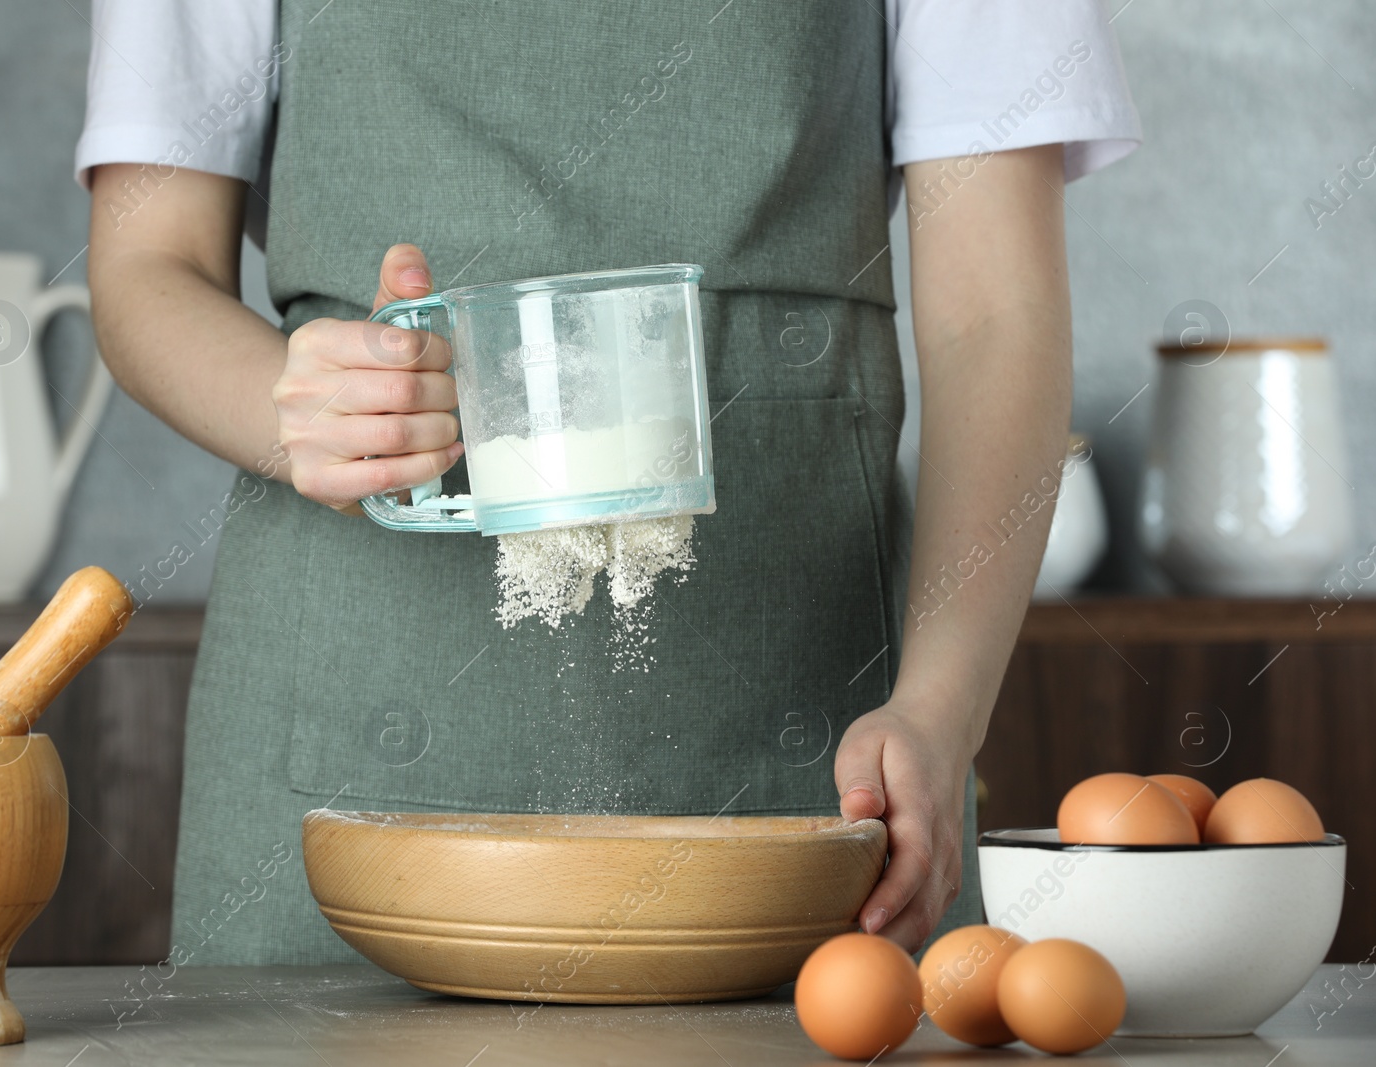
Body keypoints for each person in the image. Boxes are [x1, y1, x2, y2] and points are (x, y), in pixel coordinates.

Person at [76, 0, 1140, 964]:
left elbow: (993, 315)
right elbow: (144, 267)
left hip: (806, 743)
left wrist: (939, 710)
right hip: (350, 724)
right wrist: (289, 400)